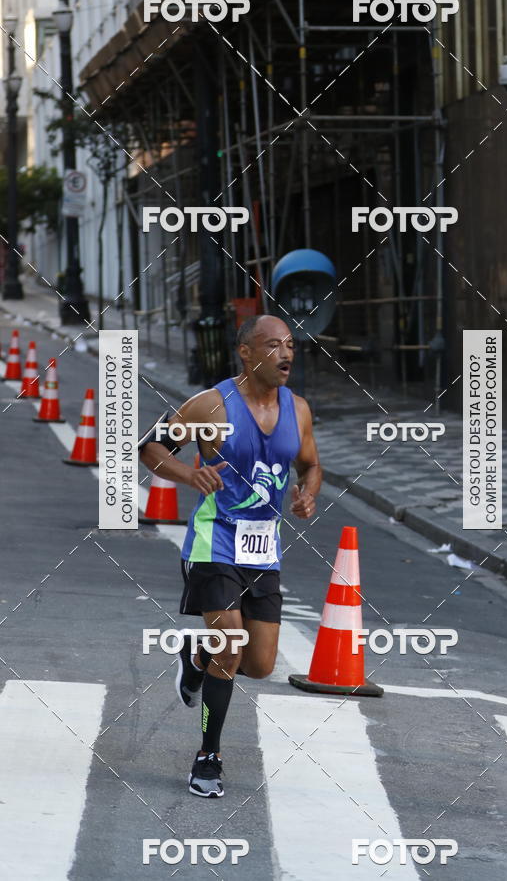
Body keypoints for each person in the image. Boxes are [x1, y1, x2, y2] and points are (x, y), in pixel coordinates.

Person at [139, 315, 321, 797]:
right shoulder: (210, 405)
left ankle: (195, 656)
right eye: (273, 345)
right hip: (213, 541)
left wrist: (307, 493)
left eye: (290, 346)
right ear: (246, 352)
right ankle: (208, 756)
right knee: (230, 645)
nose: (285, 354)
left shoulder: (298, 409)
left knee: (260, 664)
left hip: (263, 550)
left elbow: (310, 464)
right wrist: (186, 473)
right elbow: (150, 445)